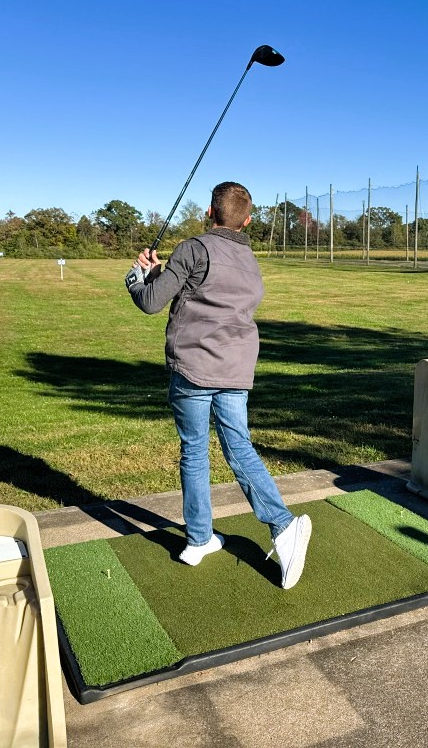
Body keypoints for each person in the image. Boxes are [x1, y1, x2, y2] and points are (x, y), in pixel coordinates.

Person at [126, 181, 311, 589]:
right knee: (238, 447)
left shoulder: (193, 248)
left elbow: (151, 301)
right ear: (247, 221)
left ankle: (201, 538)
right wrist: (160, 274)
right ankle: (273, 528)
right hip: (235, 370)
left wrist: (137, 278)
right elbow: (203, 289)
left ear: (210, 212)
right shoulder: (249, 259)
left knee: (194, 450)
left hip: (192, 369)